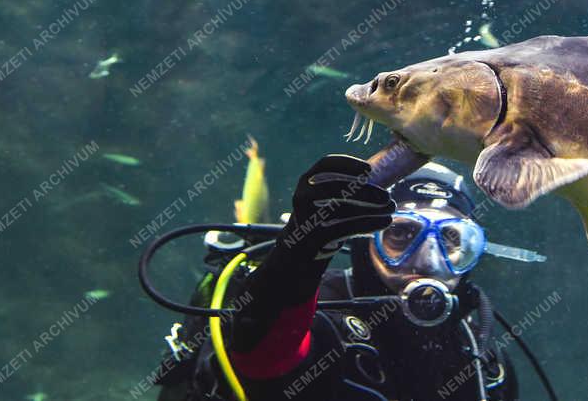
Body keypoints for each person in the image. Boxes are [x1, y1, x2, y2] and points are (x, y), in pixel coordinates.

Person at [154, 154, 519, 400]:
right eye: (402, 234)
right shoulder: (324, 314)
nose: (427, 261)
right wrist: (297, 258)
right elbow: (267, 363)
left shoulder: (483, 360)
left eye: (453, 241)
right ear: (366, 241)